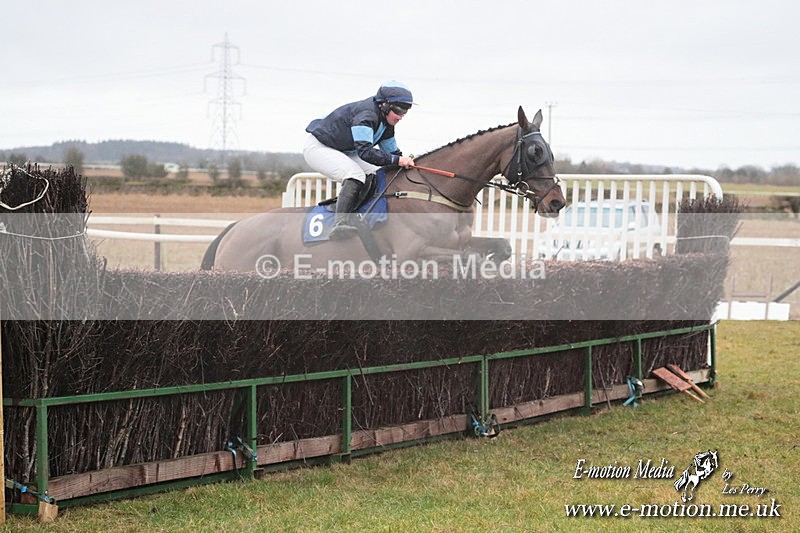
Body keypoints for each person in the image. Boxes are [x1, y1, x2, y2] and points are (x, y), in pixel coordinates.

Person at [303, 81, 416, 239]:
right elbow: (365, 153)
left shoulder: (387, 123)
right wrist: (397, 160)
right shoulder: (366, 115)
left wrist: (406, 162)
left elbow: (393, 153)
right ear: (383, 104)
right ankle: (339, 224)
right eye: (399, 109)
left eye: (406, 110)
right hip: (319, 147)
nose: (401, 116)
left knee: (375, 173)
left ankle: (357, 214)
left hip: (345, 150)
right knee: (354, 174)